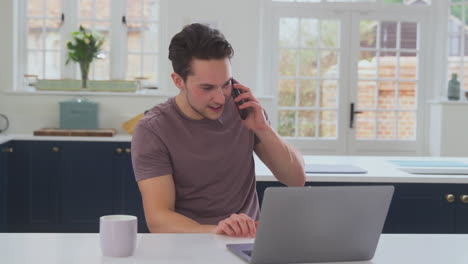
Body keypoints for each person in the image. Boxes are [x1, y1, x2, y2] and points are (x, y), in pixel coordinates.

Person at [131, 23, 306, 238]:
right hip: (187, 245)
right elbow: (159, 219)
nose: (220, 97)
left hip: (246, 244)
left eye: (226, 84)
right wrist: (219, 231)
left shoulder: (245, 111)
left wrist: (263, 128)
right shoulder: (153, 129)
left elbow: (296, 179)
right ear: (178, 81)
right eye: (207, 88)